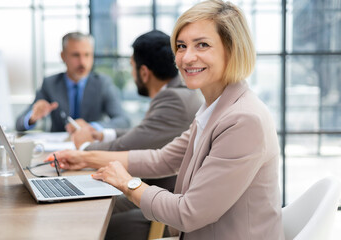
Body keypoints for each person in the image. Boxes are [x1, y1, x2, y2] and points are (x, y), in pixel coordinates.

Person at [52, 1, 284, 239]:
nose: (186, 57)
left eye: (202, 45)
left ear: (232, 50)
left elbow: (188, 213)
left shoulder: (243, 120)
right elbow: (161, 159)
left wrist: (128, 183)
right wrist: (83, 158)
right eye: (181, 46)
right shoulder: (215, 108)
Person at [71, 30, 202, 155]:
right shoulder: (181, 92)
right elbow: (144, 133)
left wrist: (84, 147)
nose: (132, 73)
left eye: (132, 66)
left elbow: (129, 147)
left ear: (144, 73)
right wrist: (102, 135)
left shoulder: (174, 99)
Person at [16, 32, 130, 132]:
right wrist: (32, 117)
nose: (82, 62)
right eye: (76, 55)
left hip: (91, 147)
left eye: (87, 55)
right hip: (58, 150)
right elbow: (19, 124)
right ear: (63, 56)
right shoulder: (50, 84)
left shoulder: (102, 83)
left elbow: (123, 121)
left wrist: (91, 127)